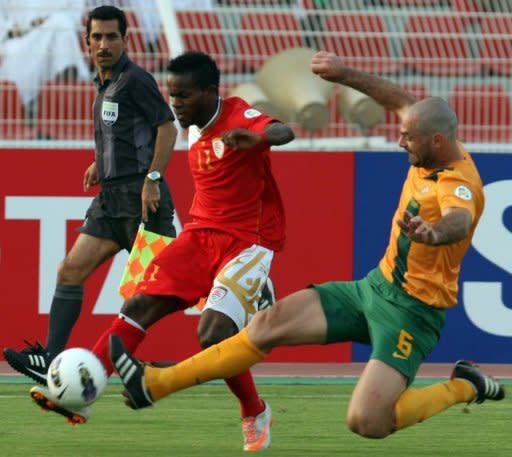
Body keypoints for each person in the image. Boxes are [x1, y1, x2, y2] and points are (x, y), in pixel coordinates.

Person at [109, 50, 505, 444]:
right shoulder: (431, 139)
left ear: (436, 140)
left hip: (412, 313)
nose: (401, 142)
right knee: (266, 325)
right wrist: (343, 72)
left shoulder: (458, 183)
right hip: (374, 288)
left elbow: (460, 219)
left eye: (409, 138)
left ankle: (464, 386)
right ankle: (156, 383)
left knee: (368, 422)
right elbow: (399, 100)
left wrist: (434, 234)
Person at [19, 50, 295, 451]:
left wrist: (258, 138)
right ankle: (82, 391)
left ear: (208, 92)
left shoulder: (236, 116)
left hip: (248, 242)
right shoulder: (193, 125)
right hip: (200, 237)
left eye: (183, 96)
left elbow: (284, 132)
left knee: (213, 333)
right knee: (138, 307)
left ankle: (254, 410)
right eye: (172, 95)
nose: (175, 104)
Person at [3, 5, 177, 386]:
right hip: (109, 201)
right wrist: (100, 163)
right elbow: (121, 132)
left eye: (111, 37)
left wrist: (153, 178)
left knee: (175, 286)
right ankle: (49, 358)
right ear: (86, 42)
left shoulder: (134, 80)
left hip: (141, 203)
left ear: (125, 40)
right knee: (69, 271)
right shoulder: (103, 82)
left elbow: (167, 128)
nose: (103, 44)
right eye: (96, 37)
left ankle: (243, 293)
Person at [0, 0, 90, 108]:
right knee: (14, 52)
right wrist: (10, 29)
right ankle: (32, 101)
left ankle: (62, 82)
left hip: (53, 31)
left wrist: (45, 20)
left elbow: (75, 14)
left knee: (62, 23)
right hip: (21, 38)